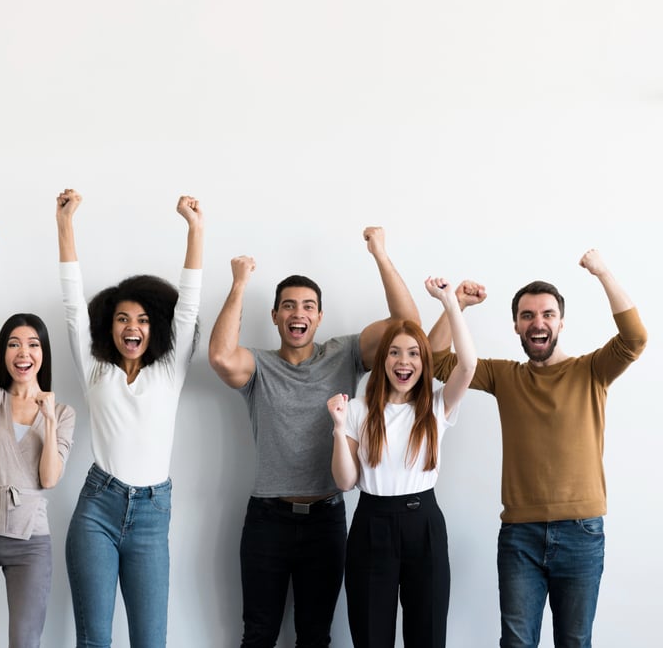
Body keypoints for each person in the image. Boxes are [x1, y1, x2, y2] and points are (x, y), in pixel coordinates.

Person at [208, 227, 420, 648]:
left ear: (319, 317)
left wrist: (379, 254)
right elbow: (219, 356)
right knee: (259, 635)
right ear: (274, 316)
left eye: (307, 306)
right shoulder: (259, 366)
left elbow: (407, 325)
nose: (297, 313)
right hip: (267, 518)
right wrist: (239, 284)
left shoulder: (343, 354)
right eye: (288, 306)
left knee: (315, 636)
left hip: (326, 517)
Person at [427, 249, 647, 648]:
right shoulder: (505, 376)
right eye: (527, 316)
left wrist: (602, 273)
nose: (537, 322)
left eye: (547, 314)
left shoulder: (591, 371)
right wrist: (455, 304)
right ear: (516, 326)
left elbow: (635, 339)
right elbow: (438, 361)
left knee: (575, 641)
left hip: (582, 533)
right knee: (515, 642)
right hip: (520, 536)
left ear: (561, 322)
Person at [55, 188, 203, 648]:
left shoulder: (169, 370)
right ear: (110, 326)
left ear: (153, 327)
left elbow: (190, 307)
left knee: (150, 640)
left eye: (140, 319)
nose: (131, 327)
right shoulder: (95, 367)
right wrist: (65, 225)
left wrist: (195, 229)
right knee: (95, 640)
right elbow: (73, 305)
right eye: (121, 319)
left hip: (153, 514)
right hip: (97, 508)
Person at [327, 276, 477, 648]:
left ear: (423, 363)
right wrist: (338, 428)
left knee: (426, 634)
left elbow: (468, 366)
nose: (404, 361)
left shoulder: (436, 406)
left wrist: (449, 303)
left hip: (423, 522)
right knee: (371, 634)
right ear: (383, 360)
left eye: (413, 353)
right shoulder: (359, 410)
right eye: (395, 352)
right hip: (371, 524)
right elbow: (345, 482)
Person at [0, 231, 75, 648]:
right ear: (6, 354)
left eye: (33, 344)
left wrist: (49, 420)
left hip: (30, 543)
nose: (24, 352)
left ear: (43, 354)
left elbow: (50, 480)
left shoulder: (63, 413)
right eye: (15, 344)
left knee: (25, 641)